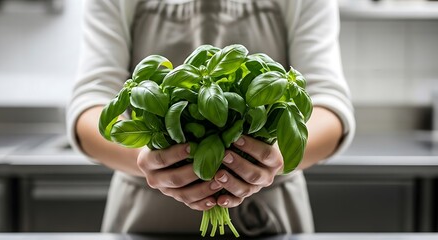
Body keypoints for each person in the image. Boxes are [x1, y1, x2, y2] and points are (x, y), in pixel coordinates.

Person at [66, 0, 355, 236]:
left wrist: (272, 159)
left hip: (270, 217)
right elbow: (91, 106)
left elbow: (329, 104)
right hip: (145, 219)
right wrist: (151, 159)